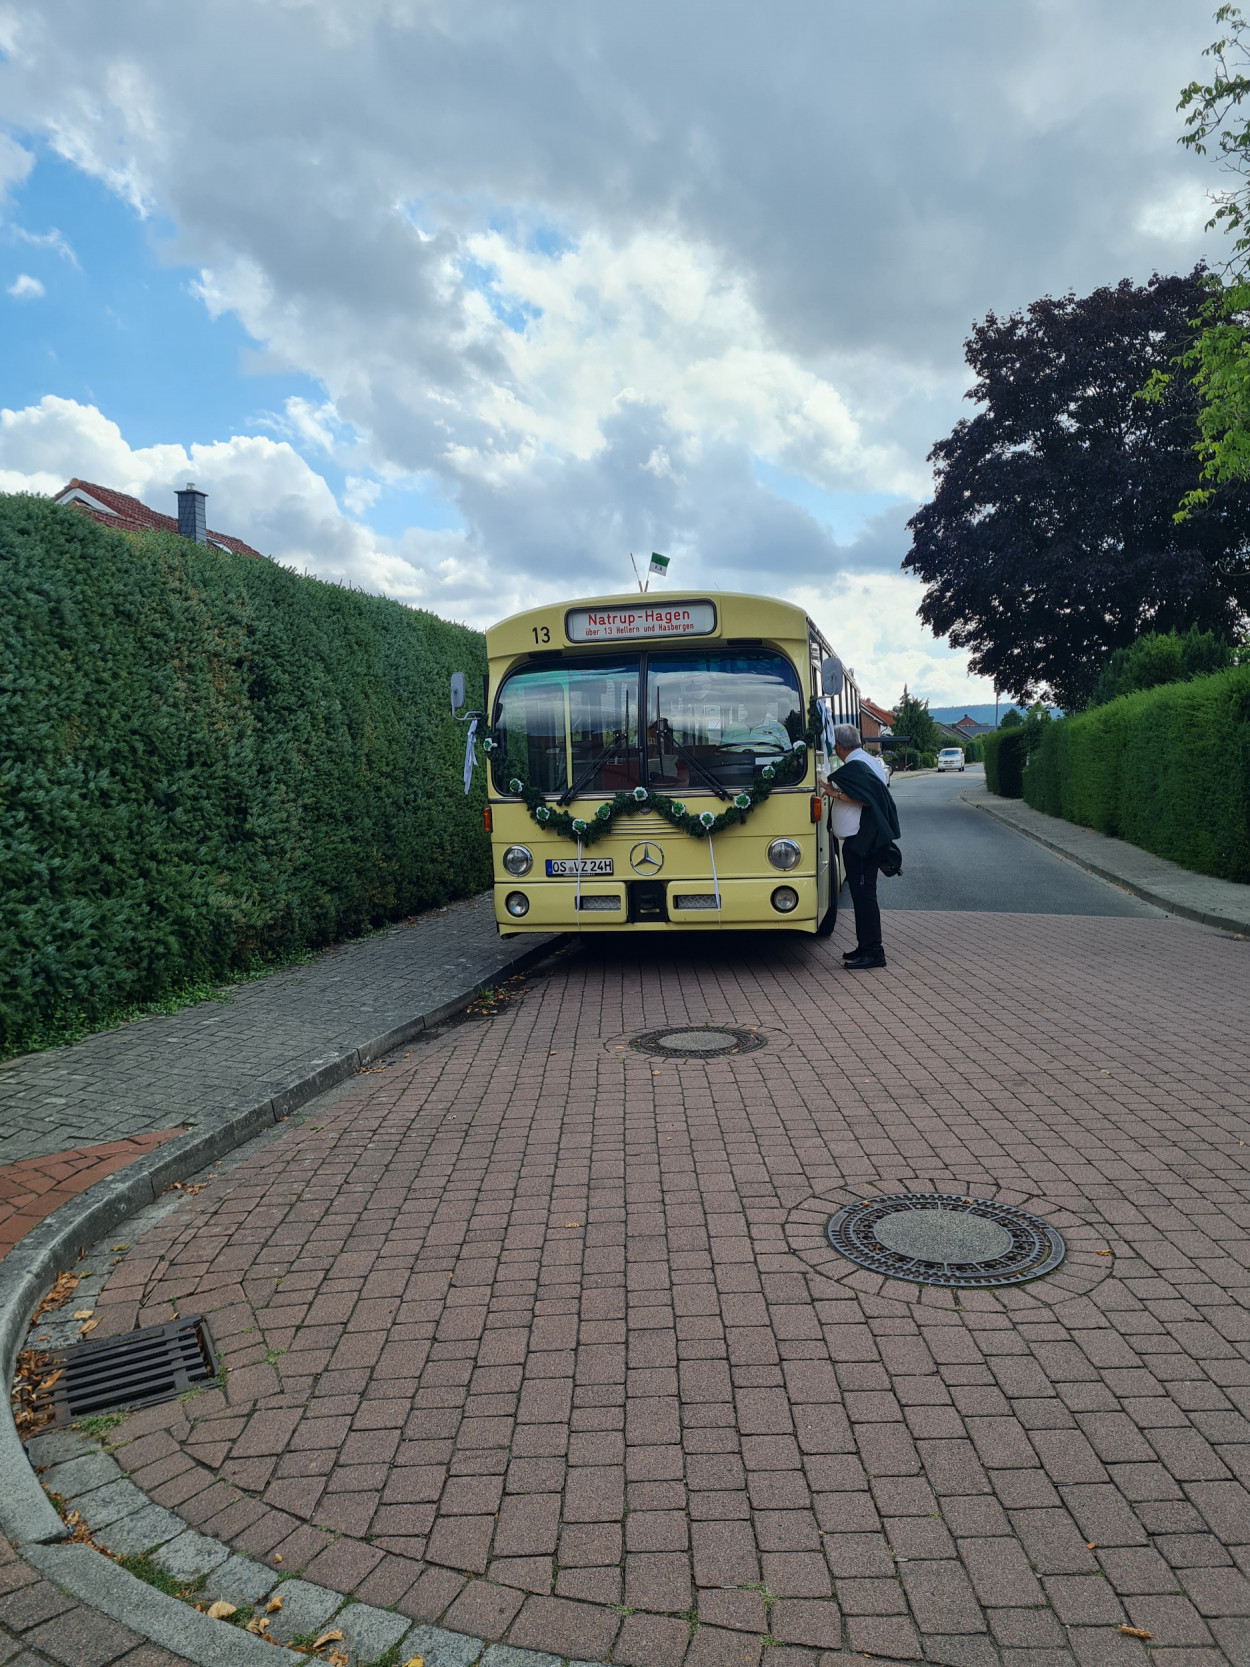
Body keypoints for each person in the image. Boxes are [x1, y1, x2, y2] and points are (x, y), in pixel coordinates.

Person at [823, 723, 899, 971]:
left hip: (862, 842)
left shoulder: (857, 765)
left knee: (865, 896)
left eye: (833, 744)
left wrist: (833, 794)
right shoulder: (868, 761)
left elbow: (867, 798)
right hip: (862, 840)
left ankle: (874, 952)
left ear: (838, 746)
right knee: (861, 895)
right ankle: (864, 947)